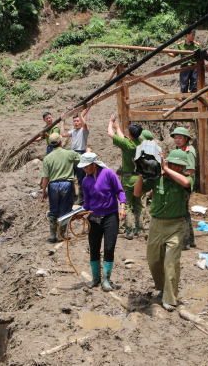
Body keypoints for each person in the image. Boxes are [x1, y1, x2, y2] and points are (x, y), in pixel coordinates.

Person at [134, 150, 192, 311]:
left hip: (176, 225)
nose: (177, 168)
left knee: (171, 263)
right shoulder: (155, 177)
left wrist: (167, 169)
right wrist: (141, 174)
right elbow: (137, 192)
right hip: (156, 225)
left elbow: (186, 184)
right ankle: (161, 287)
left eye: (180, 166)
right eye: (173, 164)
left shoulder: (185, 179)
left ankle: (170, 298)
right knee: (153, 260)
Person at [79, 152, 127, 292]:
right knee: (94, 248)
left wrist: (122, 207)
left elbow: (120, 191)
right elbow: (87, 201)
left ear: (94, 165)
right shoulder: (85, 181)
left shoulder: (108, 174)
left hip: (110, 216)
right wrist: (80, 212)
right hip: (93, 217)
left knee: (109, 247)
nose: (84, 170)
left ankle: (106, 279)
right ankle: (96, 278)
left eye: (86, 167)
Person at [108, 114, 144, 240]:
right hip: (139, 178)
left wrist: (111, 122)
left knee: (127, 204)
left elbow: (110, 134)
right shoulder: (141, 144)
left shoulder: (126, 145)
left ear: (129, 134)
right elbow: (123, 137)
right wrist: (118, 128)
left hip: (128, 179)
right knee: (138, 204)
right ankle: (139, 229)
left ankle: (128, 231)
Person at [41, 133, 82, 243]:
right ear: (60, 142)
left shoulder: (47, 158)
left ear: (50, 144)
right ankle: (61, 235)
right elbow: (82, 160)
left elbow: (45, 178)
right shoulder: (69, 153)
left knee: (54, 211)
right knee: (65, 211)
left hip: (53, 185)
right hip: (66, 185)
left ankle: (52, 236)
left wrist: (43, 191)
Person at [171, 127, 197, 250]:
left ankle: (185, 242)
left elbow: (190, 171)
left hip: (184, 184)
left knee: (182, 212)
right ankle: (190, 240)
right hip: (182, 183)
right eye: (175, 137)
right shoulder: (181, 149)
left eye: (180, 137)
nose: (177, 140)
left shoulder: (188, 151)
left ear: (186, 138)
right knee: (184, 212)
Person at [61, 109, 89, 204]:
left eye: (78, 121)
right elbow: (63, 134)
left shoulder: (84, 130)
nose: (76, 123)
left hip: (80, 153)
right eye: (74, 121)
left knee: (81, 177)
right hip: (72, 153)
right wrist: (62, 122)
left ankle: (81, 198)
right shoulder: (73, 132)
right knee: (70, 175)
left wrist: (79, 114)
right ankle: (72, 195)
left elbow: (84, 124)